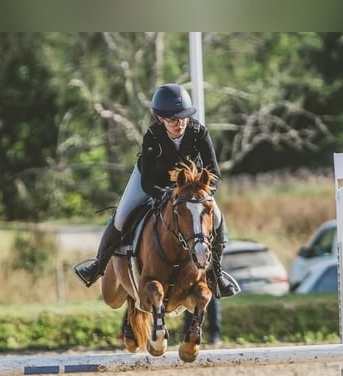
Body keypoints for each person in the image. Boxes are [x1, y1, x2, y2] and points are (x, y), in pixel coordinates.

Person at [73, 83, 239, 300]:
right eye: (172, 119)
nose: (179, 123)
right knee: (121, 217)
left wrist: (205, 191)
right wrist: (166, 194)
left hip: (191, 189)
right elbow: (149, 181)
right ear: (161, 119)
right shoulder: (153, 135)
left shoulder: (199, 133)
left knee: (217, 219)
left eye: (183, 118)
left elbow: (214, 172)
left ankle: (216, 275)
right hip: (151, 182)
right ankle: (97, 266)